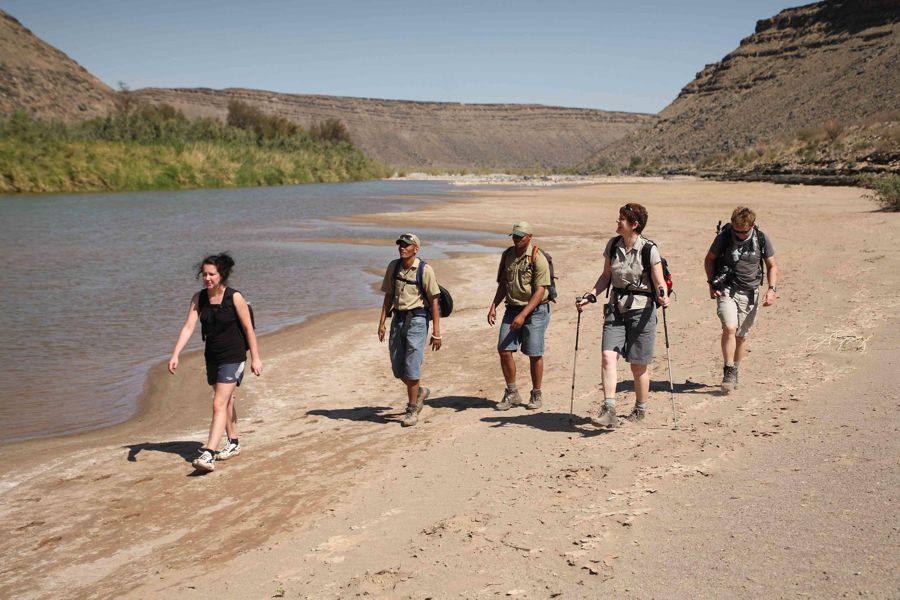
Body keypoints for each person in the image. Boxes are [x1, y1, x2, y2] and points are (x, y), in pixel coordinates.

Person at [576, 203, 669, 428]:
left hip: (642, 310)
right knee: (608, 356)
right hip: (615, 307)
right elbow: (606, 275)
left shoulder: (649, 249)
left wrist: (663, 296)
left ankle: (640, 408)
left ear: (634, 224)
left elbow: (659, 282)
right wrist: (591, 295)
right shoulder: (613, 244)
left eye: (621, 219)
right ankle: (609, 409)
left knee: (638, 366)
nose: (617, 222)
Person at [168, 253, 262, 472]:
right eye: (204, 274)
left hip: (234, 355)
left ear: (222, 275)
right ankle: (234, 443)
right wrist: (175, 354)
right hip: (212, 355)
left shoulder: (234, 297)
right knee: (226, 402)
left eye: (212, 274)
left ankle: (209, 453)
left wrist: (255, 358)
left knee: (218, 403)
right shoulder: (198, 298)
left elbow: (249, 329)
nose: (207, 278)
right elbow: (188, 327)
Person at [704, 206, 779, 393]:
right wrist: (712, 283)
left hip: (751, 292)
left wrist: (771, 289)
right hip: (727, 289)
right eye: (736, 231)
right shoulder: (724, 237)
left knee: (741, 336)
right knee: (729, 327)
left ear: (751, 226)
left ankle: (735, 369)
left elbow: (772, 266)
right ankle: (728, 369)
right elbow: (709, 259)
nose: (738, 235)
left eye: (743, 232)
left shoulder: (761, 238)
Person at [378, 233, 442, 427]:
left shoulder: (425, 270)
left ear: (416, 248)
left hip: (418, 320)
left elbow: (434, 300)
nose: (402, 248)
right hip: (397, 319)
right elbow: (388, 295)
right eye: (400, 245)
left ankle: (412, 409)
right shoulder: (393, 266)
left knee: (412, 364)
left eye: (406, 245)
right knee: (398, 369)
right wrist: (381, 323)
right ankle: (420, 391)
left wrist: (437, 331)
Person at [488, 221, 551, 411]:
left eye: (520, 237)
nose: (516, 240)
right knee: (504, 350)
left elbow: (541, 290)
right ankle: (512, 392)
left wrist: (524, 315)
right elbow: (503, 283)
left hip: (536, 310)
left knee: (534, 353)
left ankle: (536, 393)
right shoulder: (507, 255)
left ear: (529, 237)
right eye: (514, 236)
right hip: (512, 308)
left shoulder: (538, 257)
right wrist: (493, 306)